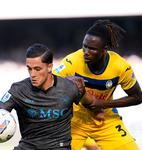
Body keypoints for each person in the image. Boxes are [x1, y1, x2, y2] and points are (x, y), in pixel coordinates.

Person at [0, 43, 105, 150]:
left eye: (37, 69)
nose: (32, 74)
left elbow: (90, 101)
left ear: (49, 67)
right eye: (29, 69)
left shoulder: (69, 88)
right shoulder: (18, 90)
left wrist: (98, 110)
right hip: (28, 147)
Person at [53, 19, 142, 150]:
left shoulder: (120, 66)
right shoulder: (72, 61)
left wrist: (103, 104)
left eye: (92, 48)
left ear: (104, 50)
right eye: (84, 46)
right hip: (75, 121)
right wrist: (65, 83)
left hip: (106, 120)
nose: (86, 52)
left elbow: (138, 97)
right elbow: (50, 84)